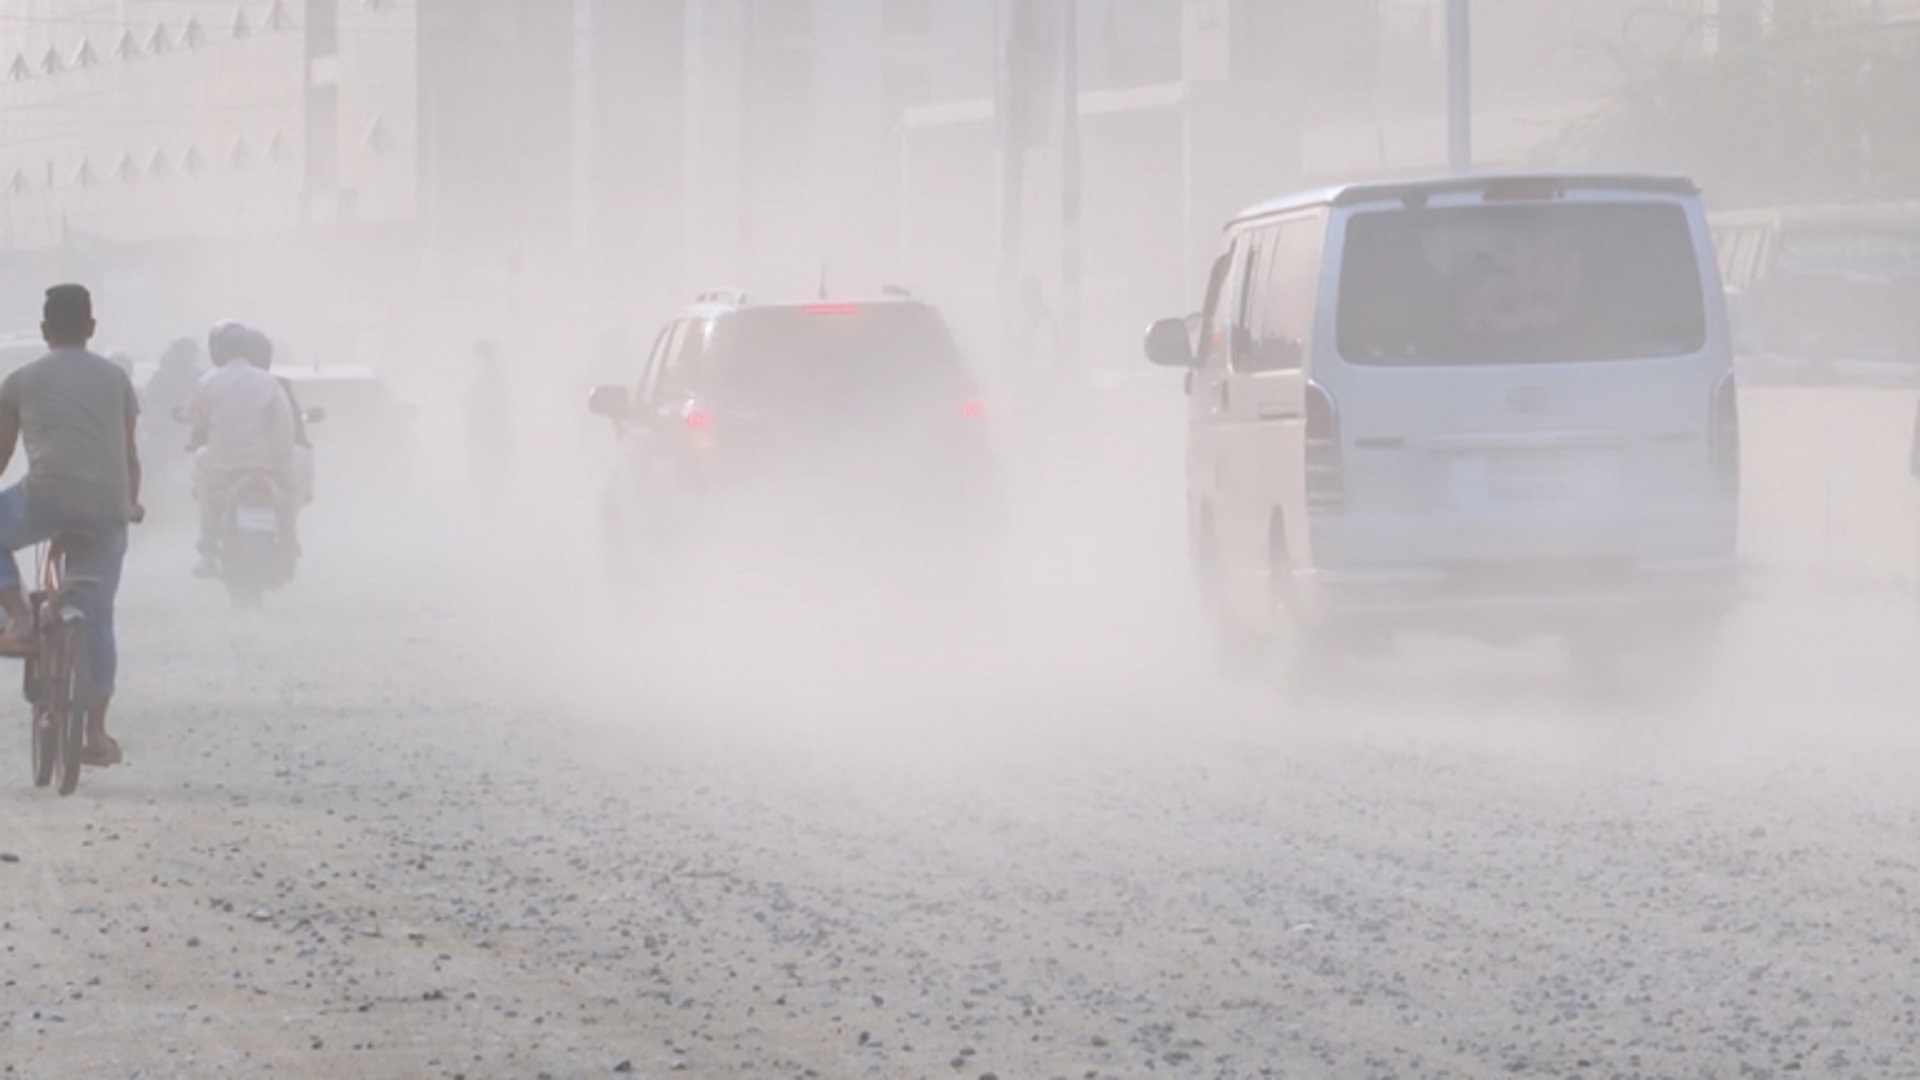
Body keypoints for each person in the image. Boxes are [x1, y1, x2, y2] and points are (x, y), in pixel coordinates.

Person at [0, 284, 144, 767]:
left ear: (44, 331)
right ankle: (97, 735)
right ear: (91, 328)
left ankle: (18, 619)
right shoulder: (117, 379)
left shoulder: (19, 380)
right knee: (98, 613)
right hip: (108, 506)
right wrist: (133, 503)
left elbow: (0, 460)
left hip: (44, 499)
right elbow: (128, 454)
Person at [187, 321, 296, 578]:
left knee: (200, 479)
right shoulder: (269, 382)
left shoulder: (208, 381)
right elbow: (284, 423)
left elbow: (196, 419)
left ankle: (208, 550)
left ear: (219, 350)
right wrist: (281, 461)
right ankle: (288, 537)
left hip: (220, 468)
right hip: (265, 467)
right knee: (288, 495)